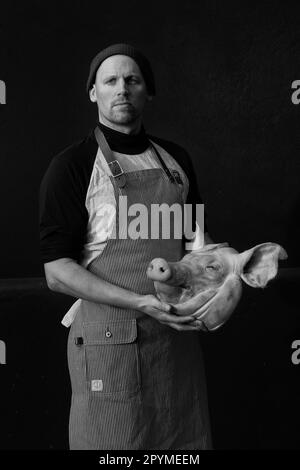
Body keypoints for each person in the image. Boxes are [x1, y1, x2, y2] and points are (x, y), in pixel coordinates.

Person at [39, 43, 213, 450]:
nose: (122, 89)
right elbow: (57, 272)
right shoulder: (73, 167)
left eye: (132, 80)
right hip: (108, 345)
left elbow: (198, 249)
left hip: (175, 345)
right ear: (93, 92)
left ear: (147, 92)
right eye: (110, 80)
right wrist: (139, 302)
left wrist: (219, 280)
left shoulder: (178, 162)